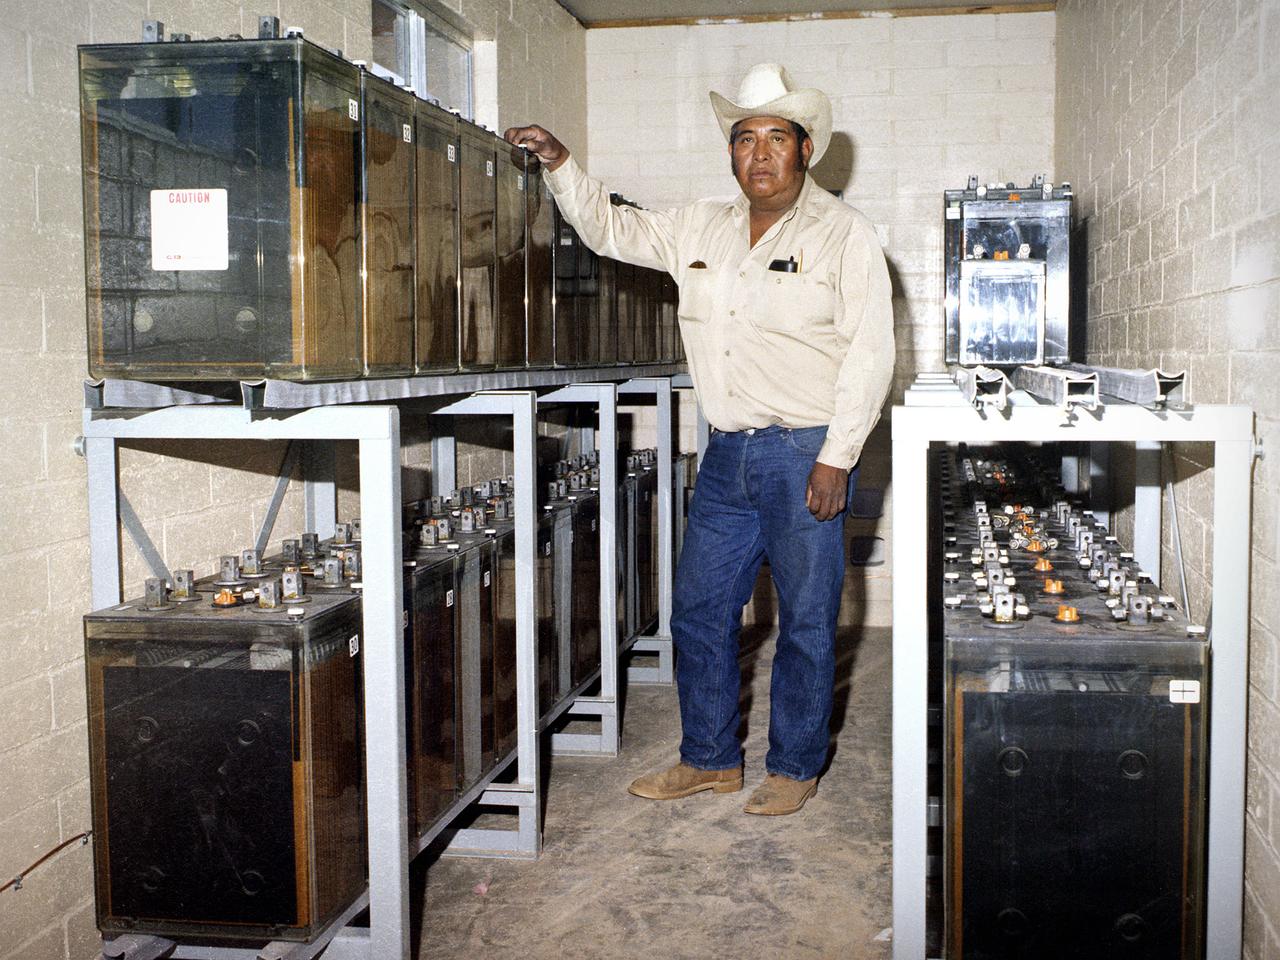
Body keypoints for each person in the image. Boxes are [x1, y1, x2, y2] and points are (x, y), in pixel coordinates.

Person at [505, 62, 894, 816]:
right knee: (699, 611)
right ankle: (710, 758)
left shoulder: (845, 234)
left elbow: (871, 354)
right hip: (727, 455)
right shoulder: (700, 225)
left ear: (806, 148)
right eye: (745, 138)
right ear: (731, 151)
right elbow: (611, 229)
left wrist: (838, 457)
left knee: (807, 621)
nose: (760, 153)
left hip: (805, 452)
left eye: (776, 137)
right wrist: (560, 164)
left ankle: (795, 766)